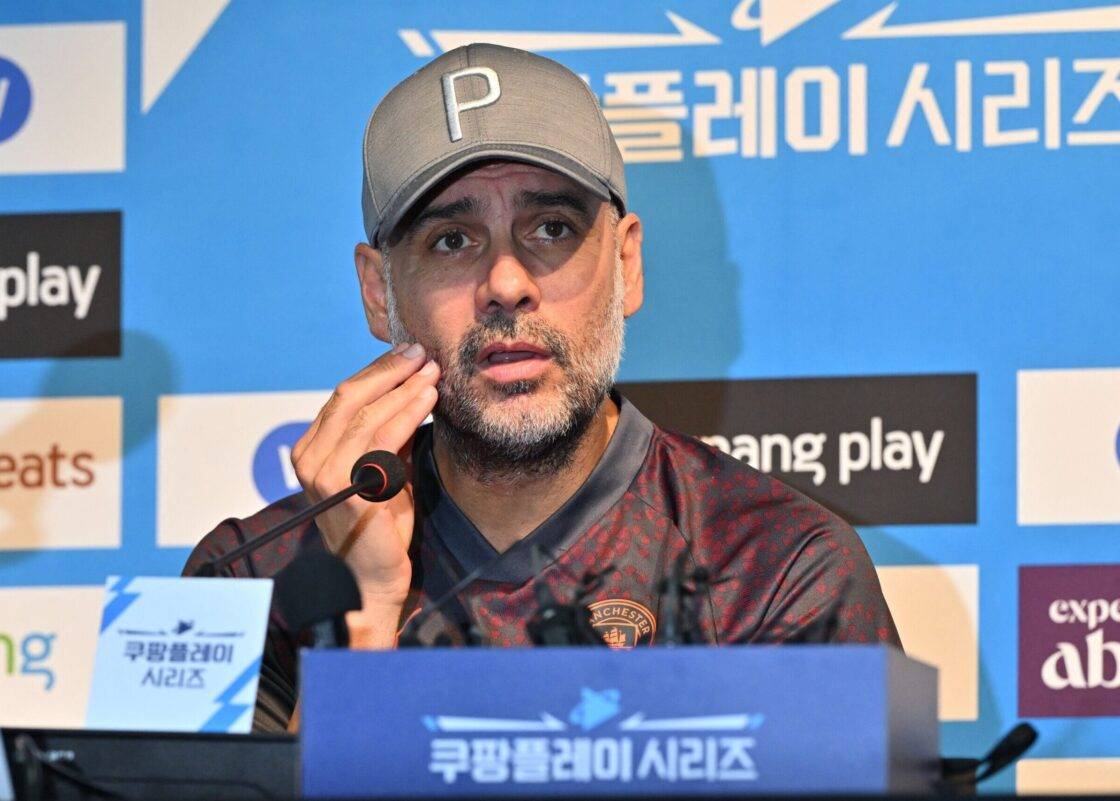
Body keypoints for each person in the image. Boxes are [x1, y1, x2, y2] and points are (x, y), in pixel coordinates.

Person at [184, 43, 900, 733]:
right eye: (453, 240)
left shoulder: (775, 565)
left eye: (551, 227)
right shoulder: (249, 581)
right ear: (379, 291)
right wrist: (362, 617)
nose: (506, 283)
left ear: (627, 264)